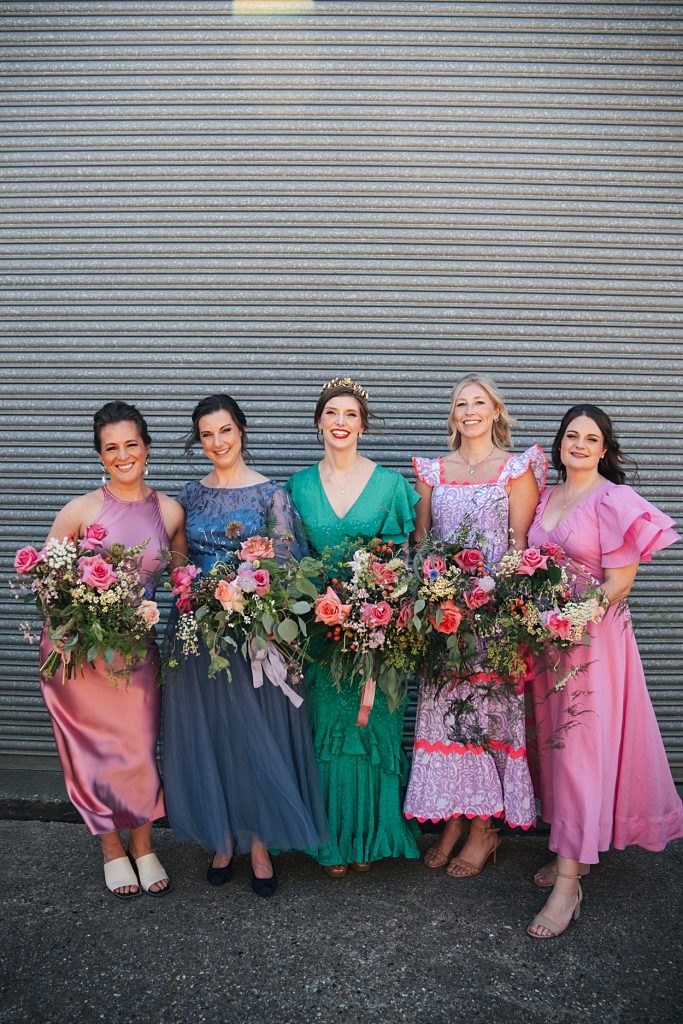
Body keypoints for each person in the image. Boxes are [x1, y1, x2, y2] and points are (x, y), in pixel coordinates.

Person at [162, 394, 328, 897]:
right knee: (211, 735)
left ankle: (259, 843)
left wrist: (255, 602)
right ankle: (222, 838)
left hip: (253, 634)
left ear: (241, 432)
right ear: (199, 440)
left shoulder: (270, 495)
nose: (217, 442)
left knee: (257, 735)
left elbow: (286, 568)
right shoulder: (189, 496)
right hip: (198, 635)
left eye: (225, 431)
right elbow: (177, 561)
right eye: (207, 434)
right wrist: (188, 589)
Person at [526, 404, 683, 939]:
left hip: (593, 644)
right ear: (560, 443)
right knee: (555, 751)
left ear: (605, 449)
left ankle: (568, 888)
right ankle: (576, 851)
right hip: (546, 646)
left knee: (580, 752)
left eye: (591, 438)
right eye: (572, 436)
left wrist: (571, 620)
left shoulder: (613, 500)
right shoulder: (546, 496)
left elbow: (619, 582)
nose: (580, 445)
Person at [403, 373, 547, 877]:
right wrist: (440, 596)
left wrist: (492, 599)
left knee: (487, 721)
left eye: (479, 402)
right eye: (461, 403)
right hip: (446, 621)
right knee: (446, 717)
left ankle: (485, 828)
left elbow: (520, 548)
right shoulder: (432, 471)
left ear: (495, 412)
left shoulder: (515, 468)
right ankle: (453, 822)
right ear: (453, 414)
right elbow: (421, 544)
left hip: (495, 621)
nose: (469, 411)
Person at [39, 401, 185, 900]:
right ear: (100, 456)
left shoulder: (168, 511)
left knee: (139, 750)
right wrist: (84, 612)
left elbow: (183, 580)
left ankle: (144, 846)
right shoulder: (79, 510)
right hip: (79, 656)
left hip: (136, 652)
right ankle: (112, 851)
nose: (123, 455)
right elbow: (46, 584)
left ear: (147, 447)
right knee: (92, 756)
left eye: (131, 444)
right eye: (111, 448)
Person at [286, 377, 421, 875]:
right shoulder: (296, 487)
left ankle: (371, 838)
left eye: (350, 414)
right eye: (331, 414)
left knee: (374, 727)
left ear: (364, 425)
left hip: (377, 630)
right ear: (318, 422)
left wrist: (379, 606)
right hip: (322, 634)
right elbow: (292, 563)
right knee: (329, 731)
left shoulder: (390, 486)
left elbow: (402, 560)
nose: (340, 422)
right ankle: (332, 841)